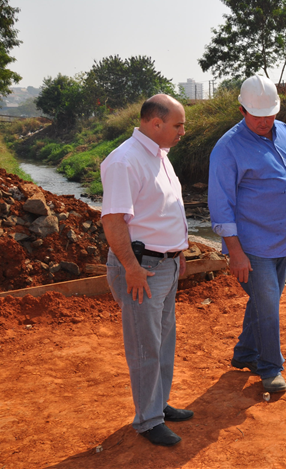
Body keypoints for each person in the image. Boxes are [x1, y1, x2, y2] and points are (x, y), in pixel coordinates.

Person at [208, 75, 286, 394]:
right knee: (269, 305)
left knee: (264, 301)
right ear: (242, 109)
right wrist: (235, 252)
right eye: (257, 115)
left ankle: (245, 353)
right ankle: (271, 368)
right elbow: (220, 205)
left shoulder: (283, 132)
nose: (265, 121)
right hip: (252, 244)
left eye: (270, 113)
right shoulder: (228, 149)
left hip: (283, 239)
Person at [101, 94, 192, 447]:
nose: (182, 131)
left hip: (165, 264)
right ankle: (148, 419)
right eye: (178, 125)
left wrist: (178, 251)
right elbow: (112, 221)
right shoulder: (125, 161)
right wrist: (131, 268)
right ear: (156, 123)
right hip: (143, 268)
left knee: (163, 339)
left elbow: (165, 210)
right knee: (145, 346)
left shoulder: (159, 156)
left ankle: (159, 403)